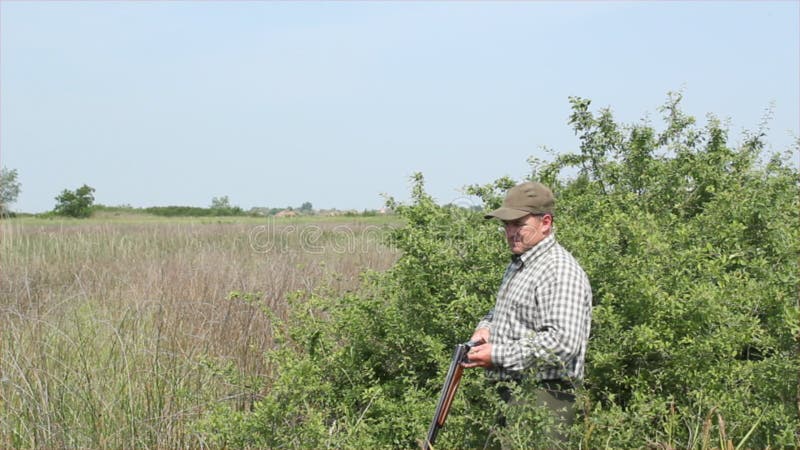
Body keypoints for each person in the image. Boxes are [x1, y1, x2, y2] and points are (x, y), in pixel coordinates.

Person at [462, 181, 592, 445]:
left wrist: (496, 354)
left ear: (545, 222)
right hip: (513, 391)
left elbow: (562, 343)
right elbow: (502, 311)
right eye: (507, 225)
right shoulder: (522, 263)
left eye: (519, 224)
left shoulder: (558, 270)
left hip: (546, 397)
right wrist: (486, 327)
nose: (510, 232)